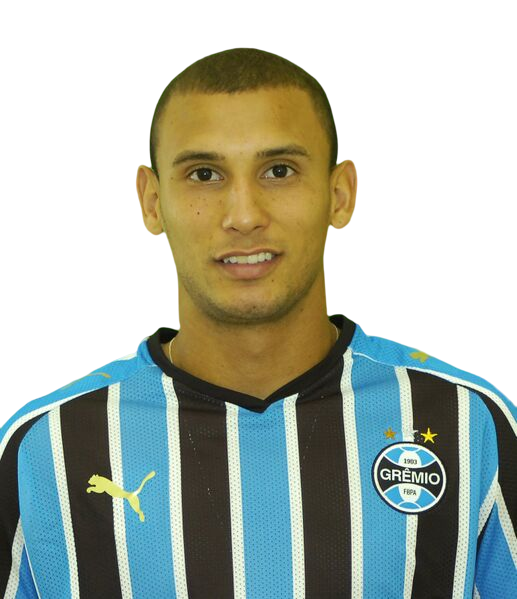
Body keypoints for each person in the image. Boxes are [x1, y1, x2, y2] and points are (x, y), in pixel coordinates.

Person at [1, 47, 515, 598]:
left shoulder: (470, 421)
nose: (244, 216)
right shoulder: (44, 445)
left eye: (279, 171)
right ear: (151, 202)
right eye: (204, 174)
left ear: (341, 195)